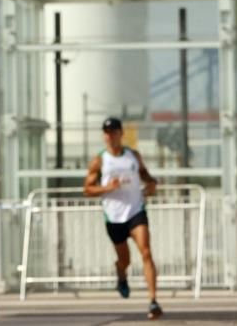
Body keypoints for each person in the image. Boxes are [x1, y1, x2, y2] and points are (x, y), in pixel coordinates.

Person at [83, 117, 163, 321]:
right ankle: (121, 272)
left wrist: (152, 184)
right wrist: (107, 188)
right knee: (125, 259)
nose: (110, 136)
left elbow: (146, 175)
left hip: (135, 210)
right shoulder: (99, 160)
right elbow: (87, 189)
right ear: (104, 136)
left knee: (146, 252)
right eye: (106, 132)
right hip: (114, 215)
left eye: (113, 132)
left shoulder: (132, 156)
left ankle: (153, 301)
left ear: (121, 133)